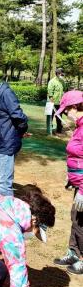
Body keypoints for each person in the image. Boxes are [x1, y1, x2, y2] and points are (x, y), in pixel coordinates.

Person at [53, 90, 83, 275]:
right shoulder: (80, 126)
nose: (65, 115)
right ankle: (73, 251)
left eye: (66, 111)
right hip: (78, 182)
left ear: (75, 107)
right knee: (76, 217)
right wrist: (71, 176)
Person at [47, 68, 65, 135]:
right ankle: (49, 131)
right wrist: (51, 101)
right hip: (51, 102)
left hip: (60, 102)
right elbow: (50, 91)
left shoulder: (62, 81)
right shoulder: (52, 81)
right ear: (57, 73)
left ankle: (59, 130)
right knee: (50, 117)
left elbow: (64, 89)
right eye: (61, 74)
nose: (62, 75)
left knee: (59, 117)